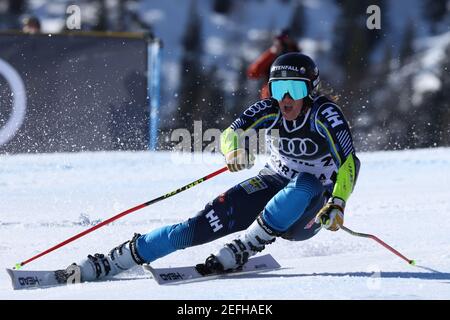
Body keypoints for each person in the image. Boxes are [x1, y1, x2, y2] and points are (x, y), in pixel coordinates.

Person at [61, 52, 360, 282]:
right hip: (274, 182)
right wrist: (234, 151)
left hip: (312, 207)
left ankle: (246, 245)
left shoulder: (324, 115)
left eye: (294, 88)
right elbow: (231, 133)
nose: (285, 98)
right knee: (197, 226)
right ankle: (119, 259)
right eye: (279, 87)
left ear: (310, 90)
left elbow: (350, 161)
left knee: (306, 181)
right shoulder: (270, 109)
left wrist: (338, 202)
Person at [247, 29, 301, 99]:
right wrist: (271, 54)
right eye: (280, 40)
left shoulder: (297, 56)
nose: (282, 43)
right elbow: (253, 73)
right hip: (270, 96)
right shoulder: (272, 54)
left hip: (292, 95)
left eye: (285, 39)